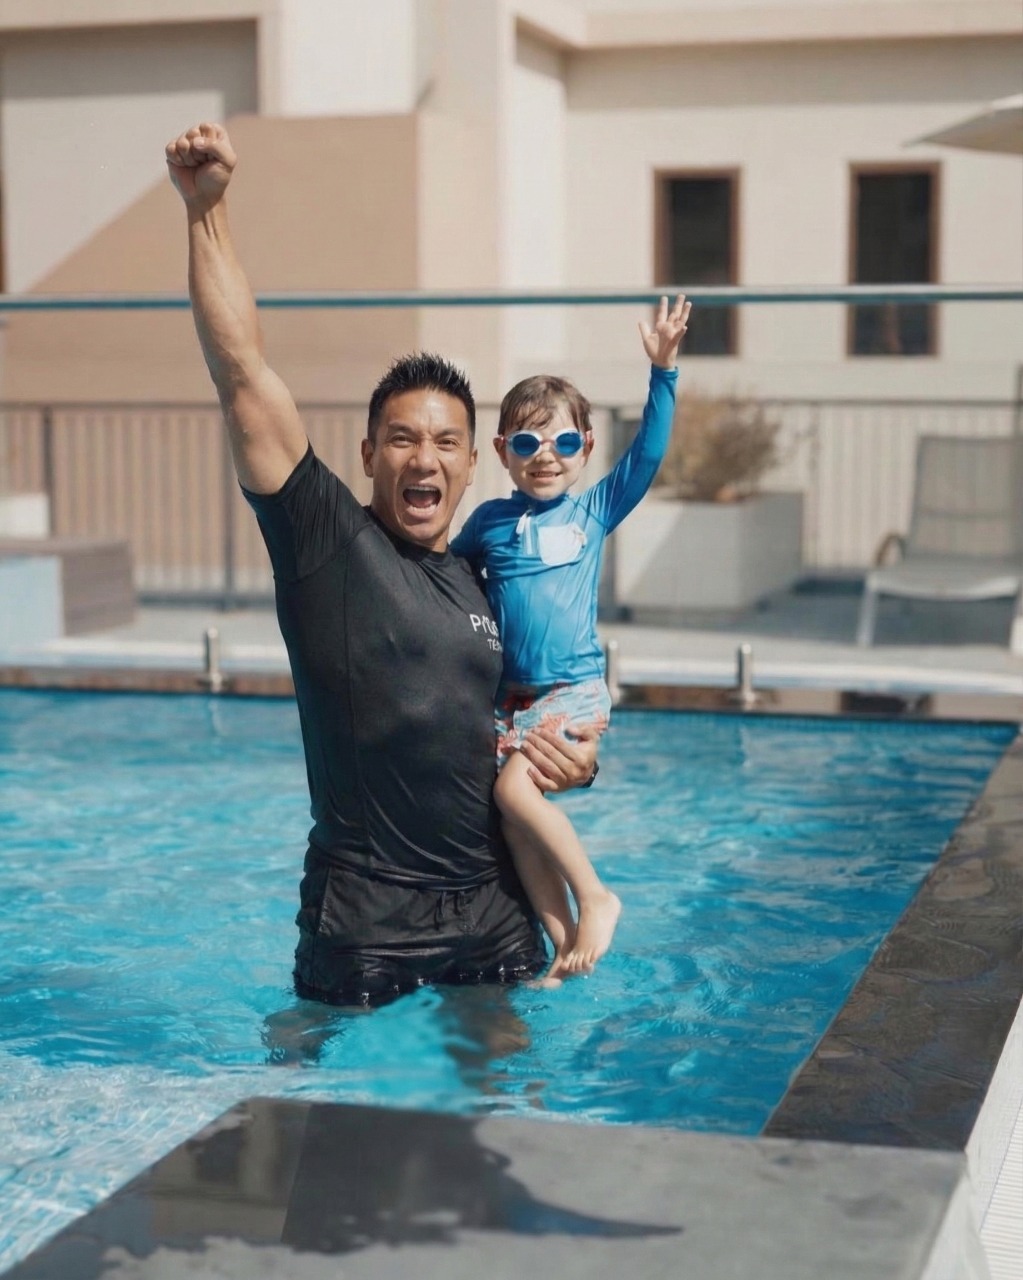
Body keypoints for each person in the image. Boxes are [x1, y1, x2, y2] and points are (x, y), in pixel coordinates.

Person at [165, 121, 599, 1007]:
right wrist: (206, 213)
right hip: (363, 917)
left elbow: (530, 712)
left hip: (492, 908)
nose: (424, 458)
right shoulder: (329, 542)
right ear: (367, 454)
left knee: (504, 1122)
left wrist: (576, 760)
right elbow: (242, 374)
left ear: (472, 464)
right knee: (319, 1135)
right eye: (402, 438)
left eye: (446, 442)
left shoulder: (488, 571)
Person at [451, 297, 690, 977]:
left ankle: (596, 895)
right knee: (515, 821)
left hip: (573, 690)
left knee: (512, 795)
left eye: (561, 442)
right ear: (502, 452)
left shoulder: (593, 511)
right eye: (526, 443)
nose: (544, 457)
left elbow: (648, 450)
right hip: (513, 700)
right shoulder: (489, 523)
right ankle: (561, 949)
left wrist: (662, 371)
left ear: (585, 447)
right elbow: (450, 577)